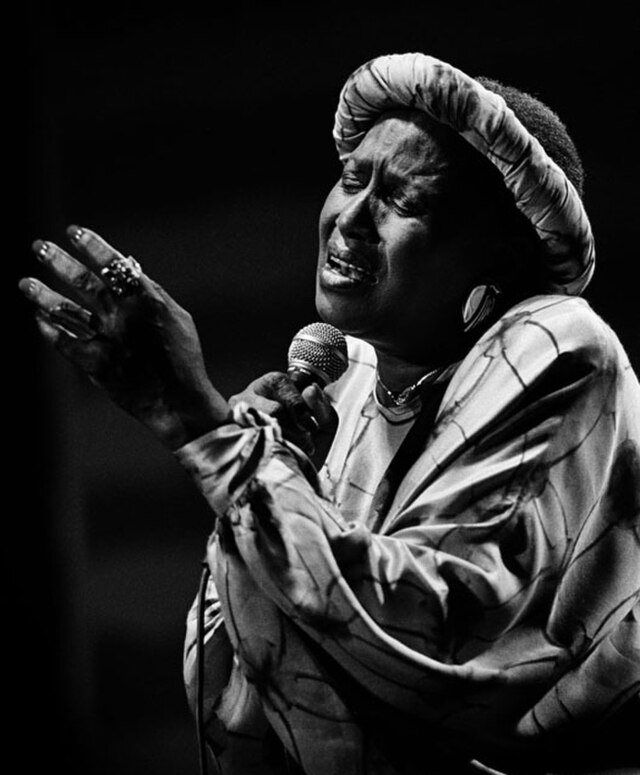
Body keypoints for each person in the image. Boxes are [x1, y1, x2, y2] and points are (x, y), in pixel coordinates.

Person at [20, 52, 639, 775]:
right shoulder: (351, 381)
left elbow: (430, 636)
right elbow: (229, 698)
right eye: (352, 179)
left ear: (497, 264)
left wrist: (205, 428)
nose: (351, 217)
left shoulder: (558, 346)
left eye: (404, 200)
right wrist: (281, 479)